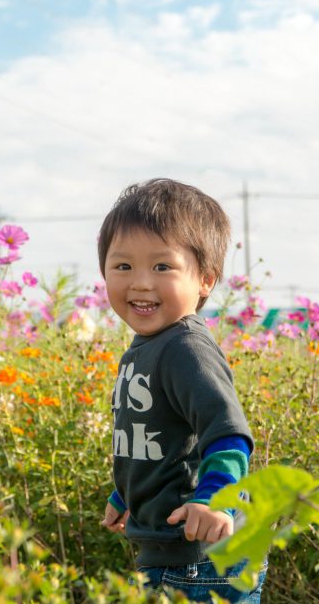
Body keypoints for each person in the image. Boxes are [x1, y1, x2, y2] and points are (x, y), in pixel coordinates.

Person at [97, 178, 265, 603]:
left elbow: (227, 435)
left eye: (162, 267)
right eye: (123, 267)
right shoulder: (147, 348)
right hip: (174, 551)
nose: (140, 283)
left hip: (203, 556)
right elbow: (161, 442)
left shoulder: (185, 347)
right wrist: (128, 494)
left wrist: (213, 503)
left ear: (206, 279)